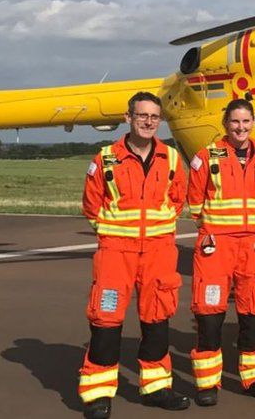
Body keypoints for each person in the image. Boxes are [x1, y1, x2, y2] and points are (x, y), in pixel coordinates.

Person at [79, 92, 190, 419]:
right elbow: (91, 204)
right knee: (106, 319)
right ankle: (98, 394)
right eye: (142, 115)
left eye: (154, 117)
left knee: (157, 319)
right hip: (116, 254)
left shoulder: (170, 158)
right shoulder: (105, 158)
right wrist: (115, 234)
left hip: (158, 252)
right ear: (128, 118)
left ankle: (156, 388)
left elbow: (177, 199)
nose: (148, 121)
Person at [186, 99, 255, 406]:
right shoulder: (205, 158)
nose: (241, 127)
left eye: (246, 122)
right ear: (226, 125)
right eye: (235, 122)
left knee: (254, 312)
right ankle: (207, 383)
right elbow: (195, 204)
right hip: (217, 247)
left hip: (254, 246)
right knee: (210, 314)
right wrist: (215, 231)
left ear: (253, 123)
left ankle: (254, 378)